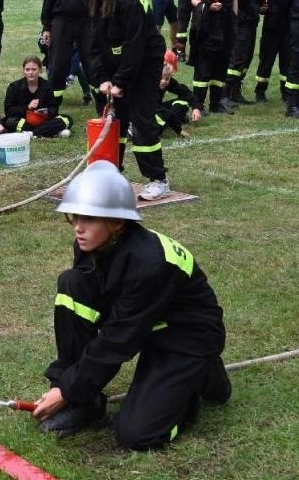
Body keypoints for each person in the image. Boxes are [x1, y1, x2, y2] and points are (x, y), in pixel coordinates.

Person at [28, 161, 229, 448]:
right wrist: (69, 387)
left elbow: (118, 339)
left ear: (118, 223)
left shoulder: (149, 265)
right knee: (72, 284)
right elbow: (108, 319)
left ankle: (193, 387)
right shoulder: (92, 245)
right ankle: (86, 405)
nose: (78, 228)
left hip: (185, 336)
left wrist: (67, 389)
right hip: (143, 322)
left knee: (136, 435)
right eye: (74, 217)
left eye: (89, 218)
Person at [81, 0, 173, 200]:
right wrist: (102, 78)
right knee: (116, 121)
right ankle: (112, 173)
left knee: (141, 121)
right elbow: (93, 46)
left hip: (144, 63)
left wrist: (121, 82)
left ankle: (158, 179)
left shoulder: (127, 2)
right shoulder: (96, 2)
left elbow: (135, 46)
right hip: (119, 62)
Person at [191, 0, 240, 114]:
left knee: (222, 61)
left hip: (227, 21)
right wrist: (206, 7)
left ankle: (216, 102)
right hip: (209, 23)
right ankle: (198, 104)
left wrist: (234, 19)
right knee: (205, 63)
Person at [252, 0, 294, 103]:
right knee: (267, 57)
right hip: (273, 20)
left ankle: (285, 91)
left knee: (287, 58)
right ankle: (260, 90)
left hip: (290, 21)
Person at [224, 0, 263, 106]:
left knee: (246, 60)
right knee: (236, 59)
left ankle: (235, 92)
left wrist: (261, 6)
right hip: (239, 24)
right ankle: (224, 94)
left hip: (251, 22)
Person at [3, 55, 71, 138]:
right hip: (23, 121)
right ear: (23, 71)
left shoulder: (47, 86)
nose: (30, 72)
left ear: (40, 70)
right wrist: (27, 107)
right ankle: (50, 131)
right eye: (27, 69)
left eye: (34, 69)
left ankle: (32, 133)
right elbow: (8, 111)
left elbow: (54, 108)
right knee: (10, 122)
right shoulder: (14, 87)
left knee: (67, 119)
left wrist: (46, 111)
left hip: (42, 120)